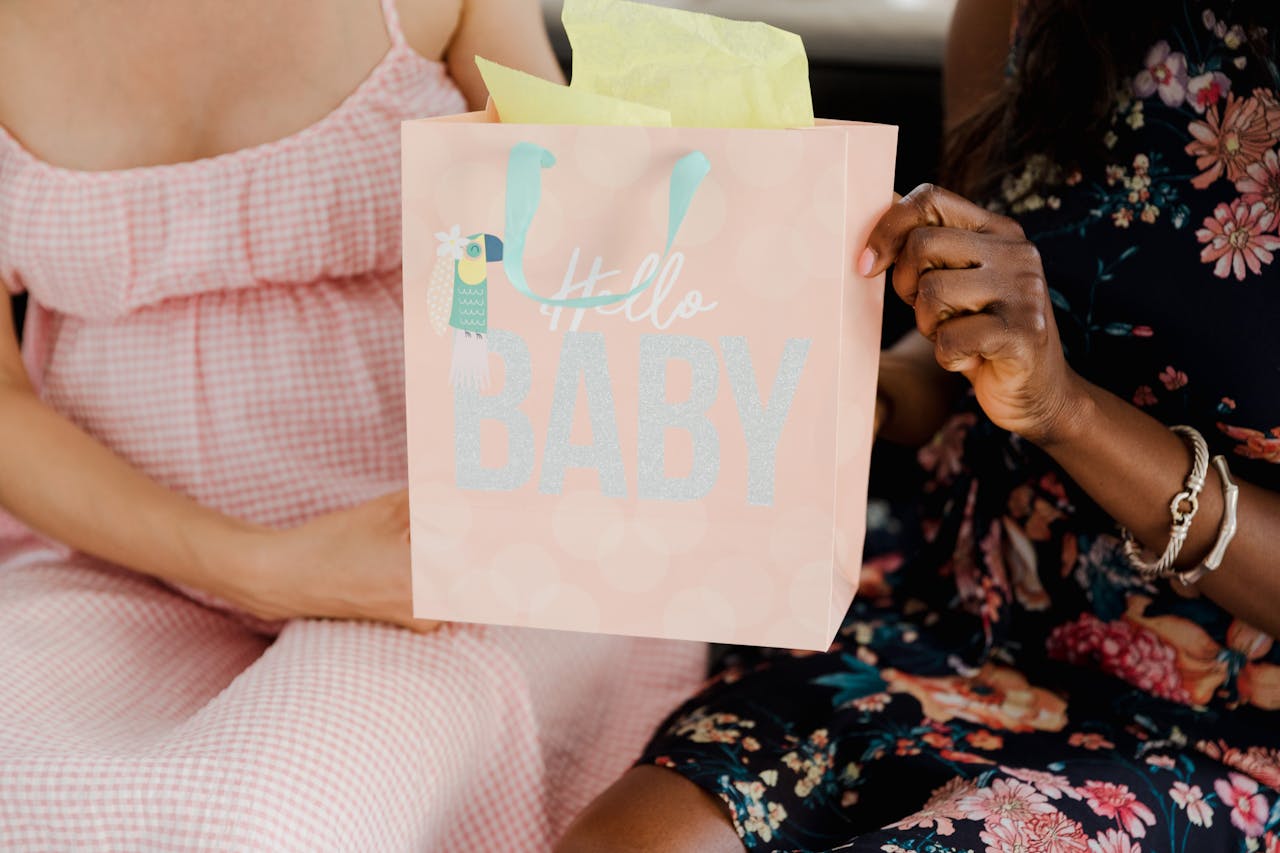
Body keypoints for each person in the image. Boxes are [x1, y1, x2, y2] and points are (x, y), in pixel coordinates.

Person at [559, 0, 1280, 850]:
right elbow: (973, 326)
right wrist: (860, 391)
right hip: (951, 611)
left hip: (1216, 726)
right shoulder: (1028, 16)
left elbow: (1041, 382)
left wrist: (1065, 412)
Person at [0, 1, 705, 849]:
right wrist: (260, 567)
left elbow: (573, 245)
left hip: (438, 572)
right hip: (119, 560)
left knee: (258, 823)